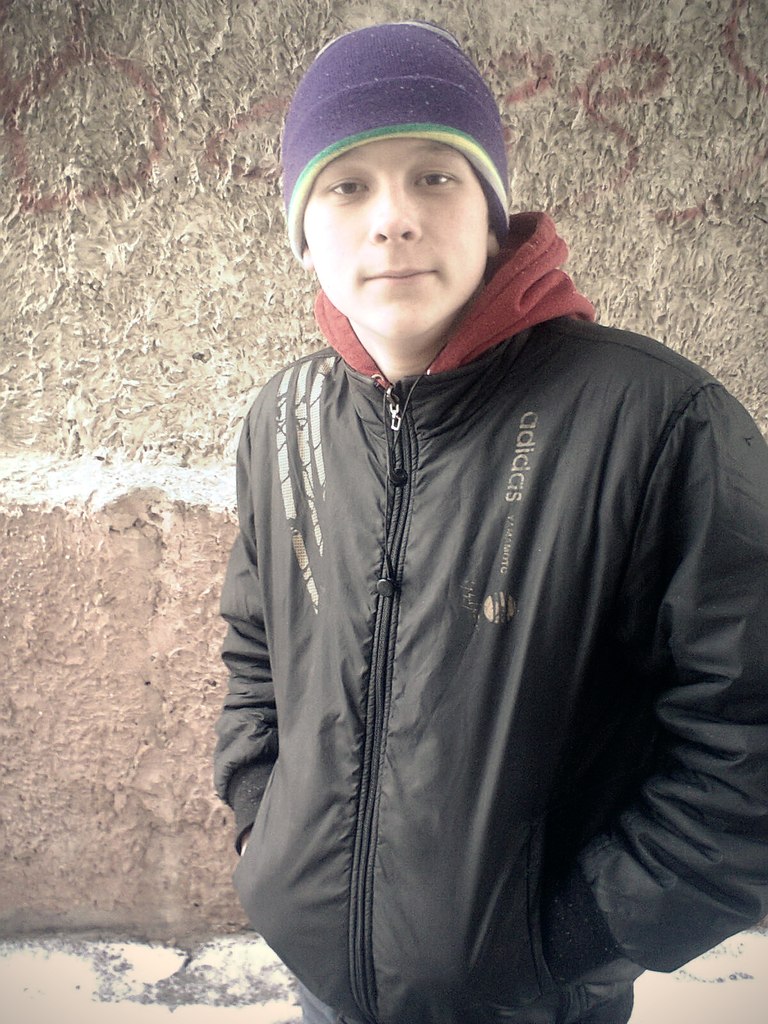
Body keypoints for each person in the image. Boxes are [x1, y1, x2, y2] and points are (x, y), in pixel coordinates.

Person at [213, 21, 768, 1024]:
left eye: (435, 176)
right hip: (324, 986)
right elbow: (258, 654)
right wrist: (267, 830)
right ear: (302, 230)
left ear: (493, 211)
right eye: (347, 185)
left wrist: (571, 937)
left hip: (531, 1000)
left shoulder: (656, 420)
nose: (393, 218)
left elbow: (748, 736)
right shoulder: (282, 419)